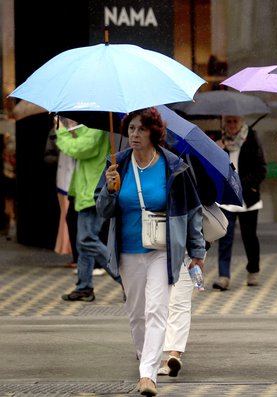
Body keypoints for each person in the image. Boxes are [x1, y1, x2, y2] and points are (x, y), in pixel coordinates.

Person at [96, 107, 206, 396]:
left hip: (161, 250)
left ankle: (148, 375)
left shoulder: (173, 166)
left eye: (141, 129)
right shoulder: (116, 165)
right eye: (131, 129)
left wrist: (197, 251)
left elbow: (192, 212)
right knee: (137, 314)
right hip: (128, 252)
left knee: (157, 309)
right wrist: (109, 190)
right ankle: (146, 356)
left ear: (153, 133)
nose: (134, 135)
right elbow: (102, 211)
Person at [157, 152, 217, 378]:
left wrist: (198, 250)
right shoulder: (130, 166)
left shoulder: (184, 164)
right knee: (157, 304)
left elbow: (206, 197)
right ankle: (156, 351)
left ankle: (173, 355)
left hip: (182, 246)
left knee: (179, 301)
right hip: (146, 248)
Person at [56, 118, 109, 302]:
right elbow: (83, 140)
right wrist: (71, 131)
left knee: (87, 240)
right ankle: (84, 287)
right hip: (85, 190)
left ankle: (124, 277)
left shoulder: (98, 125)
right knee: (83, 244)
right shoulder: (92, 125)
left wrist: (61, 131)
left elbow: (81, 149)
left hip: (93, 191)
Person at [212, 115, 267, 291]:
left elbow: (261, 169)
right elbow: (210, 168)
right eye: (228, 121)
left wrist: (242, 184)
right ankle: (223, 276)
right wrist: (217, 151)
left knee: (248, 236)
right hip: (226, 198)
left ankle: (253, 269)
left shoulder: (251, 138)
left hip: (247, 197)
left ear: (242, 121)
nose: (232, 125)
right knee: (225, 237)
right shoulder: (217, 140)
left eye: (235, 121)